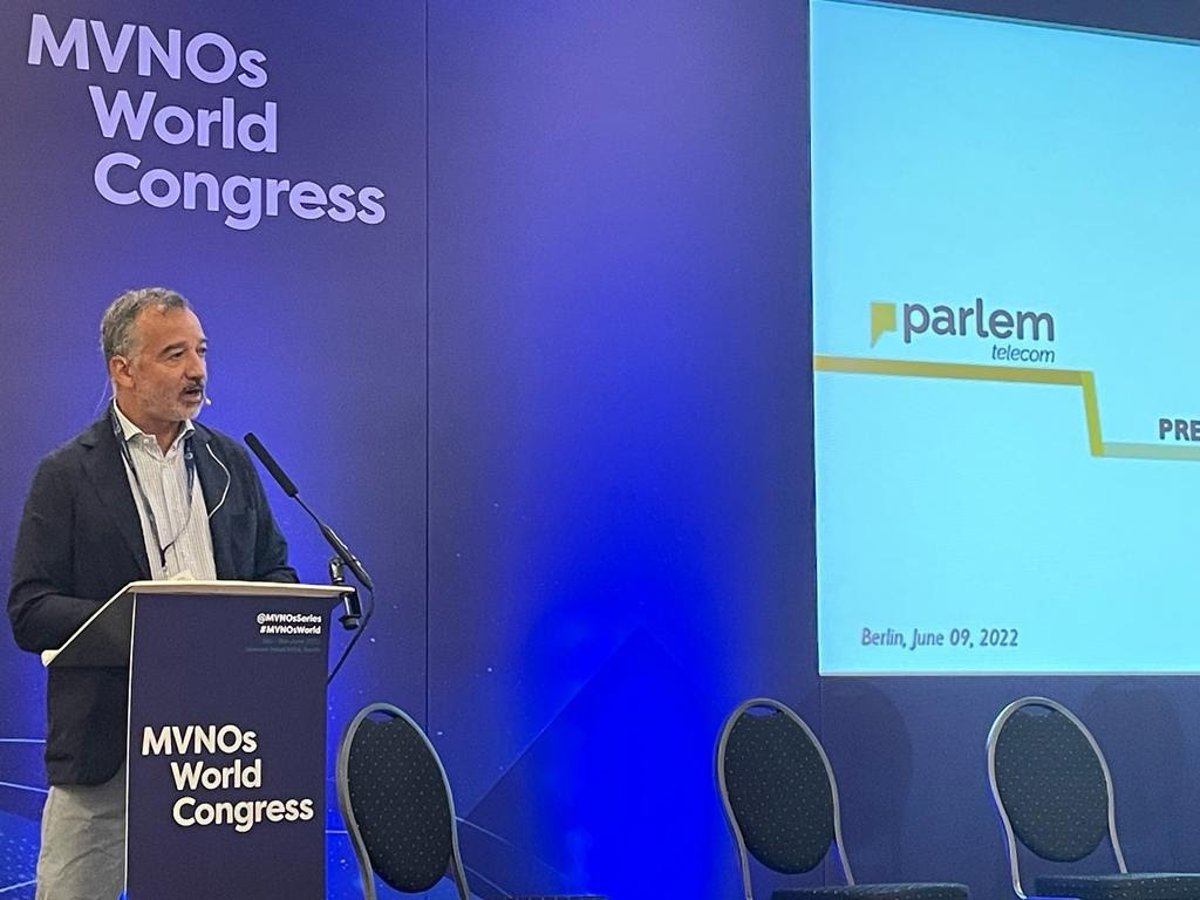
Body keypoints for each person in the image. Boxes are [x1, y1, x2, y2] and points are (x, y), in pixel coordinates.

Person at [7, 287, 298, 900]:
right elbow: (31, 611)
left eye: (201, 351)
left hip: (222, 751)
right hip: (105, 748)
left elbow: (276, 572)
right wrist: (146, 628)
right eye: (174, 354)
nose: (196, 370)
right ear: (124, 369)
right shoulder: (66, 475)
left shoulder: (231, 464)